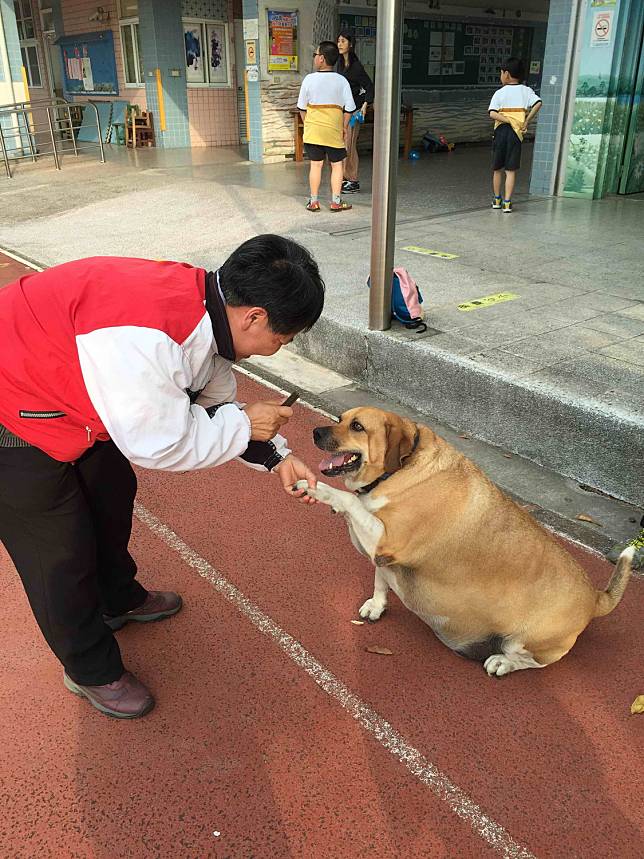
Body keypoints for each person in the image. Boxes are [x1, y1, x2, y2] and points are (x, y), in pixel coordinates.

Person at [0, 235, 324, 720]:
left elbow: (209, 396)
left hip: (59, 385)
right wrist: (243, 425)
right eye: (285, 338)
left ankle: (116, 598)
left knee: (112, 491)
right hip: (12, 406)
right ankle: (90, 670)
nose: (280, 349)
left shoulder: (207, 307)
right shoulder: (145, 337)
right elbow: (159, 443)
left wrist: (276, 457)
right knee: (56, 549)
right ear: (253, 316)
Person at [297, 40, 356, 213]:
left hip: (313, 131)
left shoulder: (309, 79)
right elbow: (350, 109)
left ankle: (314, 202)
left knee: (316, 165)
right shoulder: (341, 80)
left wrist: (308, 124)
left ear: (321, 58)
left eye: (315, 54)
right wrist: (344, 127)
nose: (314, 57)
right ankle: (336, 202)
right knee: (337, 165)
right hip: (333, 131)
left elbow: (301, 107)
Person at [488, 57, 542, 213]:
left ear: (506, 74)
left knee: (497, 168)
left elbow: (492, 113)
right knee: (510, 170)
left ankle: (497, 199)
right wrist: (526, 121)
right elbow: (538, 103)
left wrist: (507, 119)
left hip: (501, 132)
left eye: (501, 73)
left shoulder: (500, 92)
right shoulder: (527, 91)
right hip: (516, 134)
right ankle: (507, 202)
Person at [336, 30, 374, 194]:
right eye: (338, 41)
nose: (340, 44)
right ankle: (346, 178)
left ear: (350, 44)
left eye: (343, 41)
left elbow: (370, 86)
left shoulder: (356, 66)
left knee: (349, 145)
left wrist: (365, 105)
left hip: (354, 111)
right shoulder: (339, 64)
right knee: (345, 143)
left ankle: (352, 180)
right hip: (343, 110)